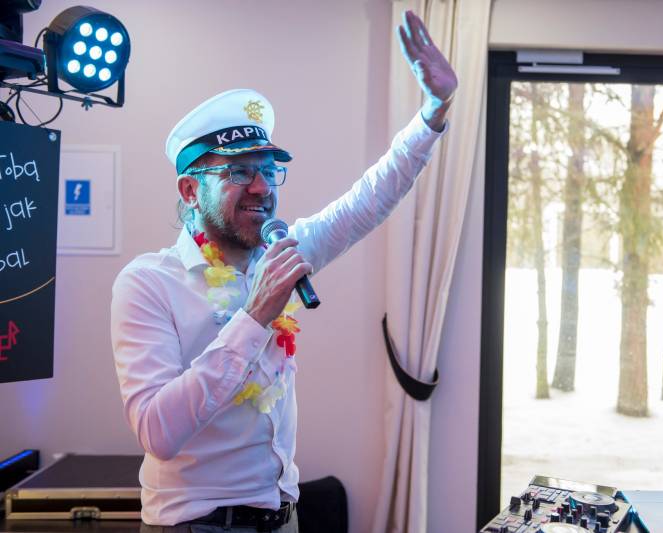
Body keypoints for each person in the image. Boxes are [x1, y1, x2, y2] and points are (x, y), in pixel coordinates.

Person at [111, 10, 457, 533]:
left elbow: (369, 199)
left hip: (283, 518)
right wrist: (254, 317)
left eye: (270, 170)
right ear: (190, 190)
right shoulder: (147, 284)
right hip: (197, 527)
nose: (262, 187)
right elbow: (157, 432)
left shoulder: (281, 253)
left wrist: (433, 111)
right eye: (239, 171)